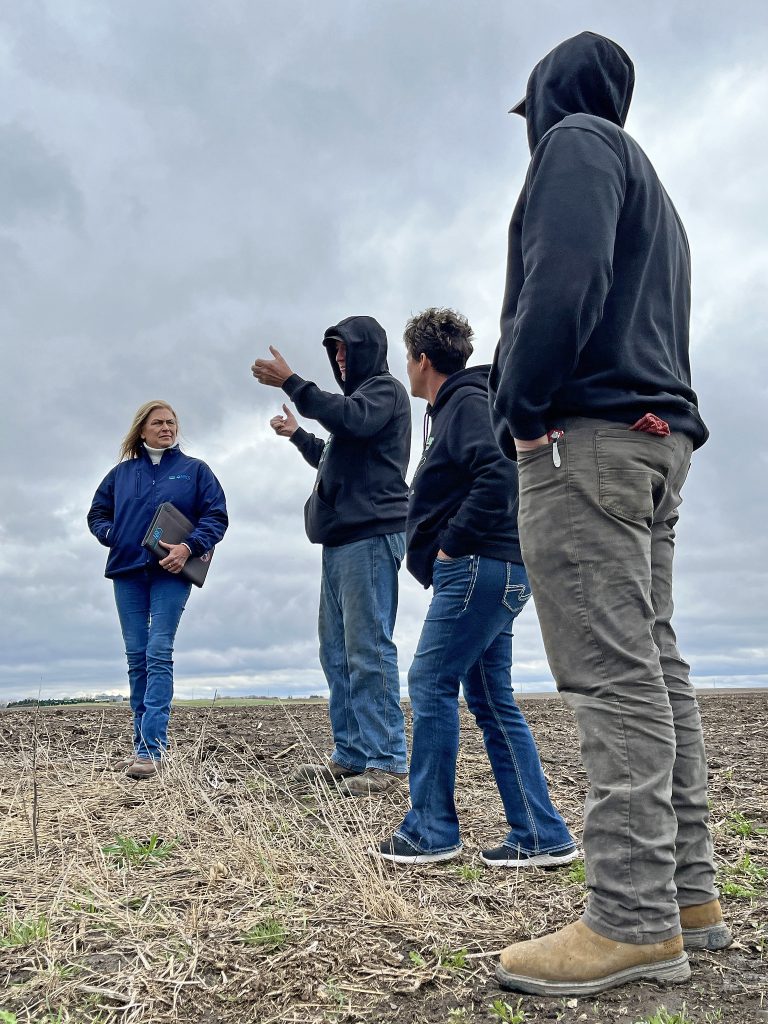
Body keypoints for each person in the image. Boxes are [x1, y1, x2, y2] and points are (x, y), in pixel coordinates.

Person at [488, 32, 729, 996]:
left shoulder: (577, 143)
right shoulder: (655, 187)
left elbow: (563, 280)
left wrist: (521, 406)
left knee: (612, 677)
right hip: (655, 444)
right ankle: (686, 896)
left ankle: (631, 921)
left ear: (546, 95)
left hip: (584, 437)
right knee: (653, 665)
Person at [370, 308, 577, 866]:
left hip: (477, 566)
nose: (407, 371)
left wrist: (450, 545)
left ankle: (431, 830)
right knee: (490, 697)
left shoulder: (464, 402)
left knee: (430, 680)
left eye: (407, 361)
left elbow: (497, 472)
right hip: (499, 567)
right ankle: (540, 832)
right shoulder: (467, 402)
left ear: (421, 359)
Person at [251, 316, 410, 795]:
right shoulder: (356, 408)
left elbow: (349, 418)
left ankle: (385, 760)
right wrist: (297, 435)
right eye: (334, 353)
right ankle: (352, 754)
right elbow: (332, 451)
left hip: (369, 537)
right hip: (341, 541)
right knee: (337, 651)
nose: (340, 360)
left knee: (367, 648)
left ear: (368, 349)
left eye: (345, 351)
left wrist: (293, 383)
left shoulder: (383, 392)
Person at [88, 401, 228, 779]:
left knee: (158, 651)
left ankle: (152, 750)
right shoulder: (121, 474)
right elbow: (96, 514)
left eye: (171, 422)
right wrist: (111, 534)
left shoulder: (194, 471)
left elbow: (217, 516)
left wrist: (189, 547)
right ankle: (140, 747)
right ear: (142, 430)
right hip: (127, 572)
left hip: (172, 573)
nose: (167, 428)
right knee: (136, 656)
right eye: (158, 423)